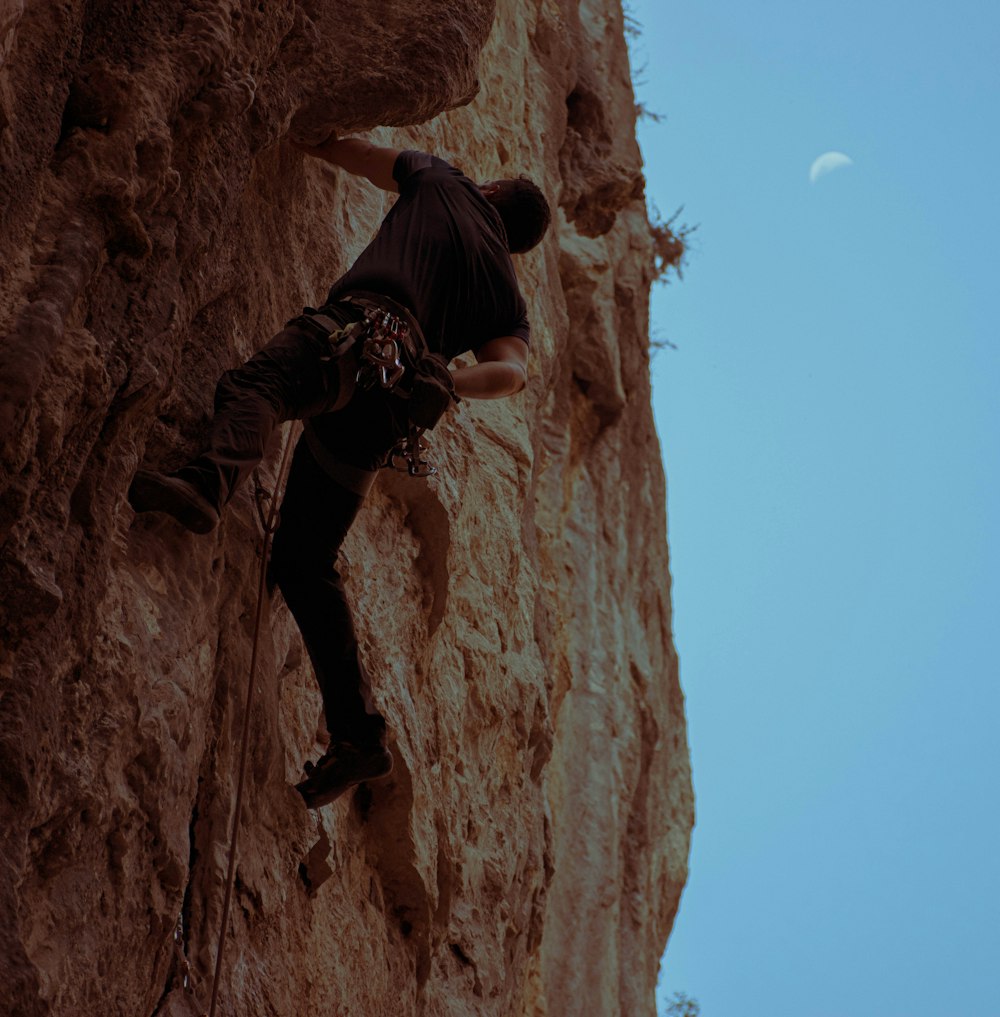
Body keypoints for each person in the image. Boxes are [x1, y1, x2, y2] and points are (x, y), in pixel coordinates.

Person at [128, 136, 551, 808]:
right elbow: (513, 373)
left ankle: (209, 484)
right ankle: (357, 735)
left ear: (494, 190)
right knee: (304, 562)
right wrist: (448, 377)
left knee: (260, 383)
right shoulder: (507, 294)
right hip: (390, 410)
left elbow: (359, 154)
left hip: (358, 337)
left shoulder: (446, 180)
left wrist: (309, 128)